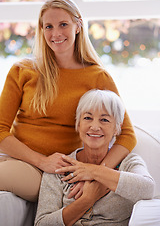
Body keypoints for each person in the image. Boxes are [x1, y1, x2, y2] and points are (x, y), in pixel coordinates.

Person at [0, 0, 136, 203]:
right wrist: (42, 161)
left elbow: (127, 135)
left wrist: (96, 173)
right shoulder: (23, 71)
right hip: (21, 161)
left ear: (78, 26)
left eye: (63, 24)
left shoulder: (97, 77)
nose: (55, 33)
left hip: (57, 175)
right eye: (48, 26)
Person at [34, 89, 155, 226]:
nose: (95, 127)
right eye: (88, 118)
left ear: (117, 128)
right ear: (78, 124)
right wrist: (87, 199)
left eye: (104, 120)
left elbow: (147, 189)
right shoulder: (60, 166)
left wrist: (93, 171)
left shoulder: (129, 163)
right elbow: (42, 223)